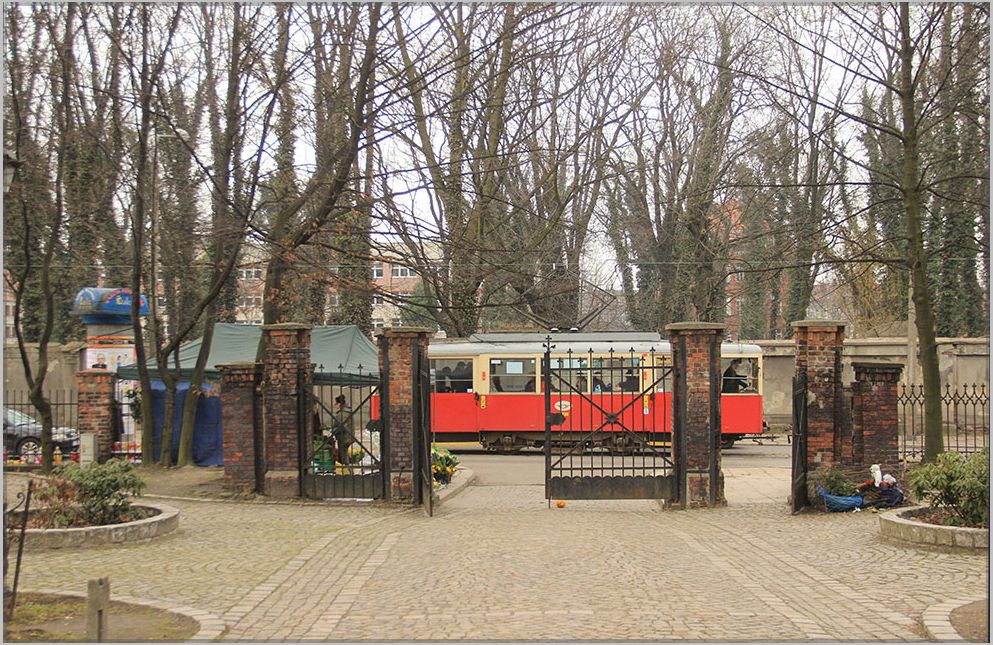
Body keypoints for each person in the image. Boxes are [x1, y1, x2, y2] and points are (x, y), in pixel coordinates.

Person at [332, 394, 354, 463]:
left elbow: (342, 427)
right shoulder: (346, 412)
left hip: (344, 437)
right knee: (345, 454)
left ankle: (346, 470)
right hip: (347, 436)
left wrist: (333, 431)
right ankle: (346, 468)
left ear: (340, 404)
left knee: (343, 456)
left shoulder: (342, 414)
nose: (335, 405)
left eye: (336, 403)